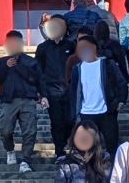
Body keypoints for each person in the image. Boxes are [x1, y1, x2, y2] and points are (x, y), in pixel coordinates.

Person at [0, 30, 44, 174]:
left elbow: (38, 79)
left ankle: (25, 160)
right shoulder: (1, 62)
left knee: (30, 131)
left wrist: (43, 95)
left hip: (28, 99)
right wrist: (6, 66)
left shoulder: (31, 61)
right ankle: (10, 150)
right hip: (9, 100)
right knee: (5, 129)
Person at [68, 36, 128, 151]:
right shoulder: (77, 69)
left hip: (107, 111)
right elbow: (74, 92)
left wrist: (120, 100)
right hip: (86, 113)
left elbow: (121, 82)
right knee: (88, 149)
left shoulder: (107, 64)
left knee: (112, 146)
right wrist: (74, 113)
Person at [36, 15, 75, 156]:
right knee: (57, 122)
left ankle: (68, 145)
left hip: (69, 91)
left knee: (70, 121)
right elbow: (38, 72)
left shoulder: (72, 46)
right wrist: (42, 95)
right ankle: (60, 152)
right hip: (51, 91)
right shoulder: (43, 48)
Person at [94, 21, 129, 85]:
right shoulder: (115, 45)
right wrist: (125, 77)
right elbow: (122, 63)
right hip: (114, 77)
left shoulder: (92, 45)